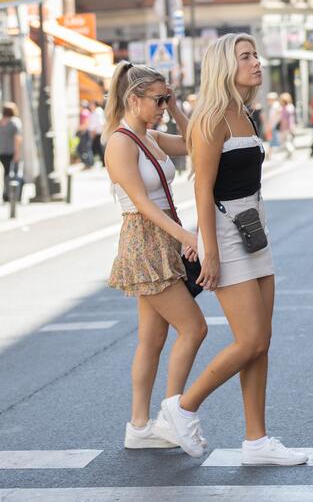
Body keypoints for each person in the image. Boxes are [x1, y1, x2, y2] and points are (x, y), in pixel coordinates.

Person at [161, 33, 308, 466]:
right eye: (246, 56)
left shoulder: (243, 113)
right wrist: (210, 251)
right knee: (251, 339)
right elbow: (202, 190)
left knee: (262, 343)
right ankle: (184, 405)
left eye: (255, 54)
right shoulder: (211, 119)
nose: (256, 62)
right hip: (225, 236)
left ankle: (256, 441)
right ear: (226, 66)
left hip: (254, 231)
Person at [102, 62, 208, 450]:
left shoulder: (151, 136)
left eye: (167, 98)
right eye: (159, 100)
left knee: (152, 338)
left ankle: (140, 426)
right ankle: (172, 415)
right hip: (146, 240)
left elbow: (195, 144)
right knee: (194, 328)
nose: (164, 106)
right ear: (133, 100)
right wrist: (186, 236)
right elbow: (143, 203)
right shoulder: (120, 142)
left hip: (164, 235)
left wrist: (178, 107)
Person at [0, 103, 22, 203]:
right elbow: (17, 138)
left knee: (6, 173)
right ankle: (11, 194)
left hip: (2, 152)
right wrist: (17, 153)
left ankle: (6, 193)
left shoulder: (1, 122)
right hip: (11, 152)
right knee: (13, 173)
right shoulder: (14, 122)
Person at [278, 92, 297, 158]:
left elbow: (284, 119)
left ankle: (291, 150)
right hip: (292, 125)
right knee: (290, 140)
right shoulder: (291, 106)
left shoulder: (283, 108)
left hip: (286, 127)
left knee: (285, 141)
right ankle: (289, 153)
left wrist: (282, 127)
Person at [89, 100, 106, 167]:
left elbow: (98, 123)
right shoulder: (99, 110)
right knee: (99, 148)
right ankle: (102, 162)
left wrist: (93, 132)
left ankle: (102, 162)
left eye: (91, 104)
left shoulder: (97, 111)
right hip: (99, 132)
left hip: (97, 132)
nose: (90, 106)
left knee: (98, 148)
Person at [78, 100, 93, 168]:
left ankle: (88, 164)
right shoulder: (87, 112)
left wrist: (79, 129)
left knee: (84, 148)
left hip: (85, 132)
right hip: (87, 131)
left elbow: (86, 124)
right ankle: (88, 163)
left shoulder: (84, 113)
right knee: (86, 148)